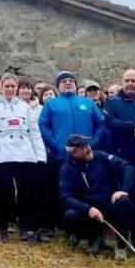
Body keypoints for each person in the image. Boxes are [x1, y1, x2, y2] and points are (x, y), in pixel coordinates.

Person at [38, 71, 105, 238]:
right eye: (64, 81)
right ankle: (61, 225)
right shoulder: (51, 104)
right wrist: (57, 146)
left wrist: (92, 144)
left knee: (87, 190)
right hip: (61, 156)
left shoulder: (87, 103)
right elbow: (43, 126)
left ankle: (90, 226)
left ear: (75, 85)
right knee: (61, 192)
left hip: (86, 156)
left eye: (71, 81)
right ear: (58, 85)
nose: (68, 83)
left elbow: (101, 124)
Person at [0, 73, 47, 243]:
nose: (10, 89)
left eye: (12, 86)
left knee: (27, 192)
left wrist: (40, 157)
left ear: (16, 88)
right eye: (7, 86)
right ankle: (3, 226)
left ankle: (27, 227)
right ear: (1, 87)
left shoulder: (25, 108)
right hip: (3, 153)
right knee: (4, 192)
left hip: (25, 153)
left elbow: (34, 133)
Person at [59, 134, 135, 261]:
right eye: (81, 149)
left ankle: (121, 244)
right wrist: (87, 209)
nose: (87, 150)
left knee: (124, 203)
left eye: (87, 146)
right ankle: (92, 237)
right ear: (73, 152)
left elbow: (127, 166)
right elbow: (66, 197)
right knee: (70, 216)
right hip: (88, 207)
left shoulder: (102, 157)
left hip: (108, 202)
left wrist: (124, 190)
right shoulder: (67, 168)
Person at [103, 68, 135, 252]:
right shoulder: (112, 102)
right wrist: (134, 127)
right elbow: (110, 123)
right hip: (123, 157)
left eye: (134, 81)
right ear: (122, 82)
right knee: (129, 198)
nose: (130, 84)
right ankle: (132, 239)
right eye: (127, 81)